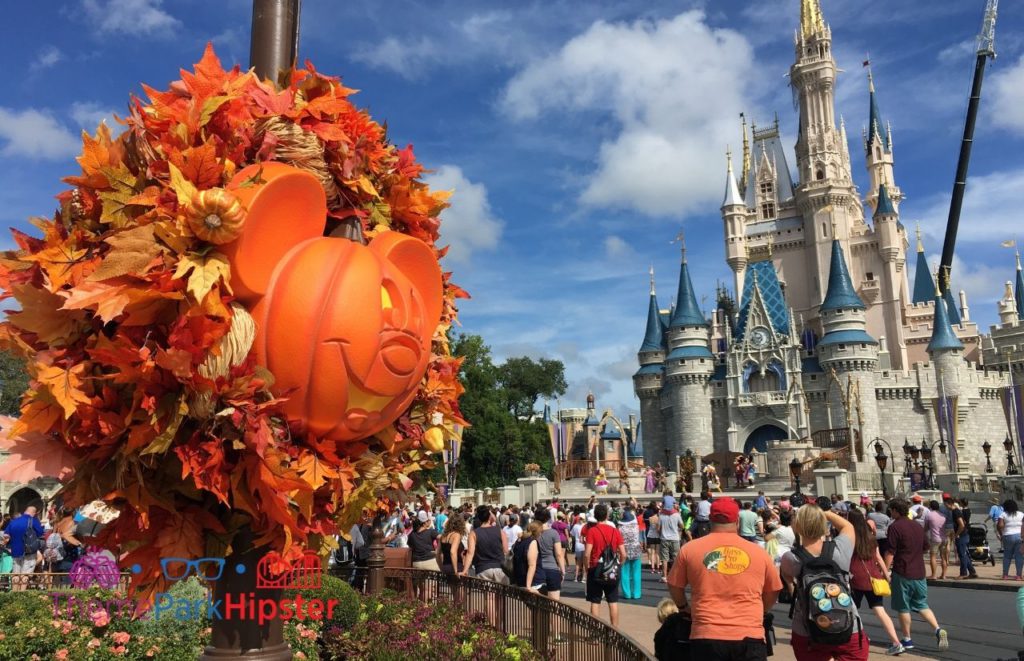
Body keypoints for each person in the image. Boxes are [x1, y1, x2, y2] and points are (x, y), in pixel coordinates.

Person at [668, 497, 781, 661]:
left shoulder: (690, 549)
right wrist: (761, 611)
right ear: (737, 520)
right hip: (749, 634)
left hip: (706, 633)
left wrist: (684, 606)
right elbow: (774, 589)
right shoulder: (758, 553)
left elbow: (674, 585)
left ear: (710, 519)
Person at [781, 504, 869, 660]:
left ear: (797, 526)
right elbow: (847, 525)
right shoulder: (840, 548)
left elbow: (787, 577)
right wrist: (825, 513)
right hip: (847, 625)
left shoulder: (791, 558)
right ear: (823, 526)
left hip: (807, 629)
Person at [885, 499, 948, 651]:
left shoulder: (895, 527)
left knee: (903, 607)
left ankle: (907, 639)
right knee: (922, 605)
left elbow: (890, 551)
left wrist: (885, 569)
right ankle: (938, 629)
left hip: (902, 571)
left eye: (891, 510)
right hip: (919, 572)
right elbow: (925, 547)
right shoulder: (917, 526)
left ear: (895, 510)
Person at [848, 509, 905, 655]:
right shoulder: (871, 537)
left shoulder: (849, 536)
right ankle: (896, 642)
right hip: (874, 578)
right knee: (880, 610)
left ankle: (856, 637)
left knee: (851, 610)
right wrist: (886, 576)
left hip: (856, 578)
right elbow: (879, 558)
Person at [583, 503, 626, 626]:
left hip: (595, 567)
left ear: (595, 516)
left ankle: (596, 632)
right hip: (612, 569)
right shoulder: (615, 531)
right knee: (613, 601)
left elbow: (587, 554)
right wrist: (620, 564)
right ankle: (615, 631)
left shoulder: (592, 531)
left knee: (595, 601)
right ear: (607, 515)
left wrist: (587, 568)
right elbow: (623, 553)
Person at [1, 506, 44, 591]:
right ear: (34, 513)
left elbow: (6, 535)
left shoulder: (13, 522)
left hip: (15, 551)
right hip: (29, 551)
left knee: (16, 573)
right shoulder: (33, 521)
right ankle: (21, 594)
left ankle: (14, 594)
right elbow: (40, 533)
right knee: (25, 574)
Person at [463, 505, 510, 584]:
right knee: (502, 595)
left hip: (482, 568)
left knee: (487, 595)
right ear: (489, 517)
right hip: (500, 567)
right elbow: (506, 550)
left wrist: (465, 570)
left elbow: (470, 553)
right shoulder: (500, 531)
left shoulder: (474, 534)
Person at [528, 508, 565, 599]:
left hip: (537, 570)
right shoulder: (553, 533)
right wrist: (563, 570)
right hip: (552, 568)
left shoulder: (531, 533)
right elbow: (559, 554)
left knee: (538, 604)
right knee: (554, 603)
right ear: (548, 518)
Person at [619, 505, 644, 599]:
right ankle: (637, 594)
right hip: (636, 550)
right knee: (636, 573)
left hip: (624, 551)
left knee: (625, 572)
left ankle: (627, 593)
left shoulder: (620, 528)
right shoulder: (636, 527)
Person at [659, 496, 685, 584]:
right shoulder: (677, 515)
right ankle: (675, 576)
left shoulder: (661, 515)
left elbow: (658, 528)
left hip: (664, 538)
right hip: (675, 538)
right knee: (675, 558)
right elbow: (682, 526)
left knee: (664, 559)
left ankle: (664, 576)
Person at [998, 499, 1024, 580]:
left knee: (1007, 556)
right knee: (1019, 556)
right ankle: (1018, 576)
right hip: (1019, 536)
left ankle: (1005, 575)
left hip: (1007, 536)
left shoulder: (1003, 514)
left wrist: (1001, 534)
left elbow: (1000, 526)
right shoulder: (1021, 514)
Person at [952, 497, 977, 579]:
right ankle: (972, 571)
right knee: (964, 554)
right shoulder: (968, 510)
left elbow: (962, 523)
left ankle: (963, 573)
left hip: (961, 533)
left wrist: (956, 534)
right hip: (966, 532)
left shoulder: (960, 512)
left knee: (962, 555)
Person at [514, 522, 543, 588]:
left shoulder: (519, 540)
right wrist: (528, 586)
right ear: (538, 532)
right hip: (533, 581)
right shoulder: (532, 542)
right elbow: (532, 565)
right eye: (541, 532)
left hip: (520, 579)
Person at [923, 500, 946, 580]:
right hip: (943, 538)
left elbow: (926, 528)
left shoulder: (929, 515)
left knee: (933, 556)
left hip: (935, 539)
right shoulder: (943, 515)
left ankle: (934, 575)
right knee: (943, 557)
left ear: (930, 506)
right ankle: (944, 575)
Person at [647, 504, 662, 574]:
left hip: (651, 535)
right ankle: (658, 568)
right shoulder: (659, 518)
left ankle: (652, 568)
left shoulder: (650, 518)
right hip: (658, 535)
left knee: (652, 553)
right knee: (657, 553)